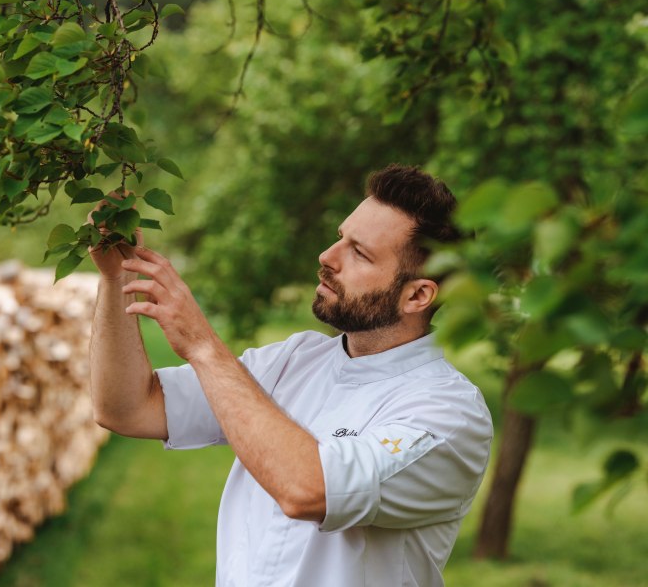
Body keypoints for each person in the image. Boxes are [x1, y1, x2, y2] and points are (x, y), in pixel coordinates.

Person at [88, 164, 493, 587]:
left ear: (417, 295)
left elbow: (308, 490)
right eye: (341, 237)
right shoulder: (294, 359)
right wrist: (117, 278)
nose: (327, 257)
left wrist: (204, 347)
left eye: (359, 252)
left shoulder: (449, 414)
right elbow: (128, 408)